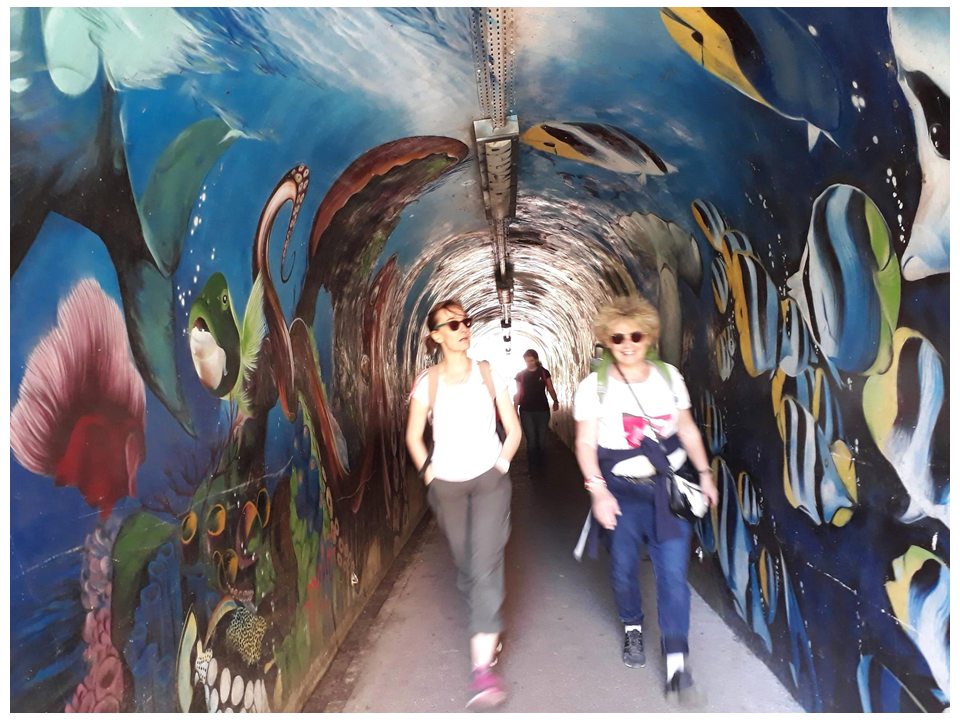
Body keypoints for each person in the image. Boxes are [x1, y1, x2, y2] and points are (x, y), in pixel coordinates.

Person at [572, 295, 718, 700]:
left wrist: (704, 474)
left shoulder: (669, 378)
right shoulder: (594, 387)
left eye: (635, 335)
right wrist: (598, 491)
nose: (627, 343)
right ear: (607, 340)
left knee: (673, 574)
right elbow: (585, 443)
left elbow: (686, 430)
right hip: (620, 492)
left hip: (666, 491)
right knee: (623, 570)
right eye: (617, 337)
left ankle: (676, 659)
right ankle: (633, 626)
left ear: (650, 336)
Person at [406, 299, 521, 710]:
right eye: (453, 324)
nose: (463, 328)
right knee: (468, 567)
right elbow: (414, 436)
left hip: (490, 481)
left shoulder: (489, 373)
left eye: (466, 321)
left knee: (486, 566)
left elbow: (513, 429)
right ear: (436, 335)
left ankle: (482, 668)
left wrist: (500, 466)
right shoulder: (428, 382)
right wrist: (429, 474)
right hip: (447, 486)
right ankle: (486, 624)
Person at [513, 349, 559, 469]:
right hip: (526, 410)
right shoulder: (521, 375)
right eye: (527, 361)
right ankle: (533, 466)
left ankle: (541, 463)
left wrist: (555, 400)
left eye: (531, 360)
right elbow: (518, 393)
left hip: (542, 410)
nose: (529, 363)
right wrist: (515, 409)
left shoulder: (543, 372)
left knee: (541, 439)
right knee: (531, 439)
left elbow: (550, 388)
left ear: (536, 360)